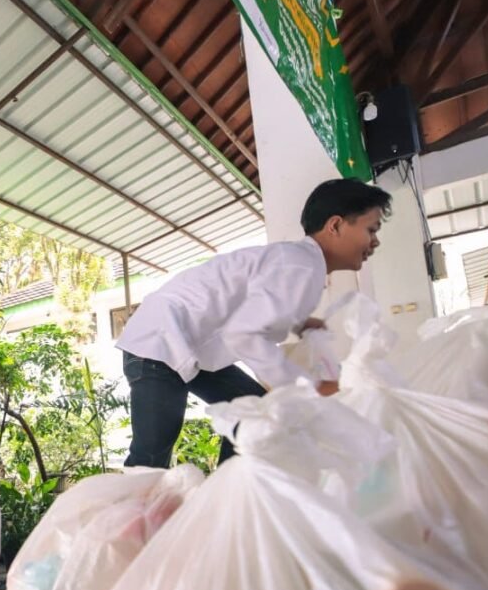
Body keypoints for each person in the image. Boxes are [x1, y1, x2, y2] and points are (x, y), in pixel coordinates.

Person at [117, 177, 391, 468]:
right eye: (371, 230)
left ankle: (230, 488)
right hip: (159, 344)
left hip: (188, 345)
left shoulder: (297, 263)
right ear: (335, 225)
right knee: (150, 460)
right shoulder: (300, 266)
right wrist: (308, 386)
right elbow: (244, 334)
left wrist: (299, 323)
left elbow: (253, 311)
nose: (375, 241)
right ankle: (142, 500)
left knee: (256, 415)